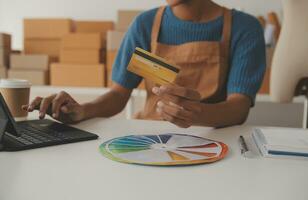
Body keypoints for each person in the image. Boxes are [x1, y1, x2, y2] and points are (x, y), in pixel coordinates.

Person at [23, 0, 266, 128]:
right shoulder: (145, 25)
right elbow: (119, 95)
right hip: (149, 138)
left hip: (213, 143)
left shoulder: (244, 28)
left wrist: (198, 114)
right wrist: (83, 111)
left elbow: (239, 107)